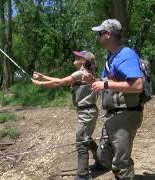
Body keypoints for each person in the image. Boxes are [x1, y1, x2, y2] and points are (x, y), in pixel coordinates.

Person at [83, 19, 144, 180]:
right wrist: (95, 80)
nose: (97, 37)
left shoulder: (126, 54)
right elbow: (110, 83)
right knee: (104, 154)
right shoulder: (111, 57)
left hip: (126, 114)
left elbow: (137, 85)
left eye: (99, 33)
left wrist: (105, 84)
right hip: (113, 114)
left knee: (120, 162)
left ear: (108, 34)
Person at [31, 51, 100, 180]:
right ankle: (101, 161)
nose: (75, 56)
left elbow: (59, 83)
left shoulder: (81, 73)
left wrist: (39, 84)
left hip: (87, 112)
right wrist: (42, 76)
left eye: (78, 56)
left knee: (81, 142)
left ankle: (83, 175)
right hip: (88, 111)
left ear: (83, 61)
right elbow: (60, 80)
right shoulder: (84, 73)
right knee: (86, 138)